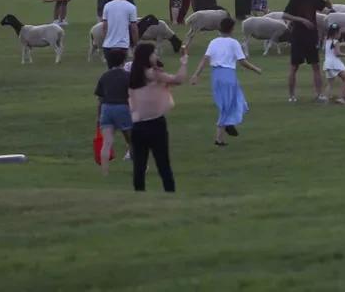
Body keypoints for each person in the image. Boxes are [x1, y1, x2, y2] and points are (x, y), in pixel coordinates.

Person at [189, 17, 262, 145]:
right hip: (228, 75)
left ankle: (225, 129)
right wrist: (256, 69)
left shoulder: (213, 42)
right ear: (232, 29)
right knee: (230, 104)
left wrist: (196, 75)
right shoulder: (234, 43)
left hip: (216, 75)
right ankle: (223, 131)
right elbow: (242, 61)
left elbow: (204, 59)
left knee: (233, 102)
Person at [128, 41, 188, 192]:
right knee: (163, 163)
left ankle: (139, 192)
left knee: (139, 165)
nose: (156, 55)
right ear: (147, 56)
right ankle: (170, 192)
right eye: (154, 53)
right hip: (155, 125)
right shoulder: (153, 74)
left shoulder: (134, 74)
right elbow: (178, 79)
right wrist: (184, 62)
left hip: (137, 126)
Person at [282, 0, 331, 102]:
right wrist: (302, 20)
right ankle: (292, 96)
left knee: (316, 65)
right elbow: (285, 15)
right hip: (298, 36)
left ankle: (319, 94)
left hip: (311, 36)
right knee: (294, 66)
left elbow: (329, 7)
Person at [94, 48, 133, 176]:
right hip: (122, 108)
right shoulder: (128, 76)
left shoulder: (104, 76)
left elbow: (100, 99)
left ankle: (105, 172)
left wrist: (98, 117)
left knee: (107, 143)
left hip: (106, 109)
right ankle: (140, 167)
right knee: (132, 141)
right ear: (123, 61)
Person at [101, 0, 139, 69]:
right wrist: (136, 44)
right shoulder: (131, 7)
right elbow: (134, 28)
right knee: (121, 71)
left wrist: (105, 41)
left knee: (111, 72)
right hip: (122, 46)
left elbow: (104, 27)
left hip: (108, 46)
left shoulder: (107, 6)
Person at [322, 24, 345, 105]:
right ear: (336, 33)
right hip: (334, 63)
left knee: (330, 83)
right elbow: (337, 53)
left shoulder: (326, 41)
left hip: (327, 63)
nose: (340, 34)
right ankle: (341, 97)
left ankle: (326, 99)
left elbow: (330, 48)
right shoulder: (336, 42)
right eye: (339, 33)